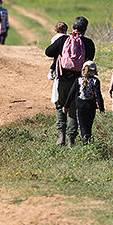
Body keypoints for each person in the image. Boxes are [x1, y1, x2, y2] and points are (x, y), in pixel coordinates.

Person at [45, 16, 95, 148]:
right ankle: (71, 138)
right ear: (85, 29)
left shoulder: (63, 39)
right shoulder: (89, 43)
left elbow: (48, 52)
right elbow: (90, 61)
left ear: (73, 27)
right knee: (74, 108)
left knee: (60, 105)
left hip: (62, 78)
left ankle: (61, 134)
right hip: (79, 81)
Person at [63, 61, 104, 145]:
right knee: (89, 125)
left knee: (82, 126)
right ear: (94, 71)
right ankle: (87, 141)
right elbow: (98, 95)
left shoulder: (78, 80)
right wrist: (101, 107)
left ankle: (85, 142)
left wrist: (66, 105)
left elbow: (71, 93)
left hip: (80, 106)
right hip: (91, 107)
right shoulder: (96, 81)